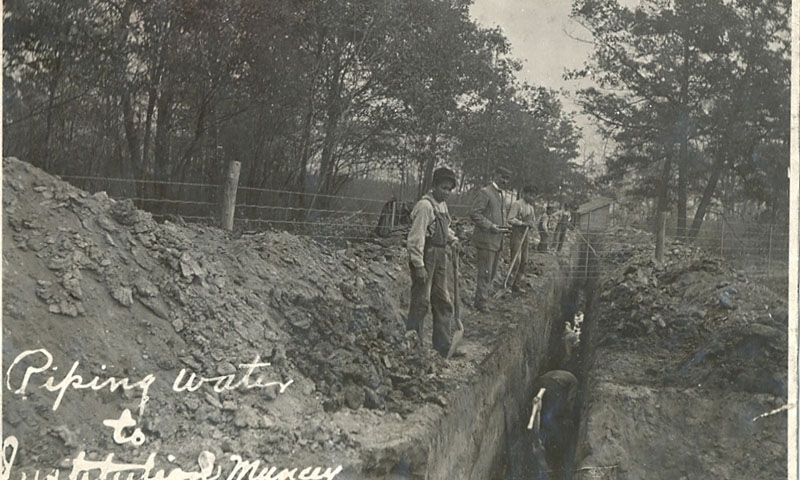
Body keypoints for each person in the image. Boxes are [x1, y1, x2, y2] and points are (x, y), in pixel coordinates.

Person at [406, 167, 460, 357]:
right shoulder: (425, 206)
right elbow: (416, 238)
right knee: (421, 302)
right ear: (434, 186)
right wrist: (418, 265)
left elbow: (446, 228)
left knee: (443, 301)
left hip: (440, 256)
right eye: (443, 188)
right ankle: (414, 347)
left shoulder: (442, 205)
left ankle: (443, 345)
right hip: (426, 256)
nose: (446, 192)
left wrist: (452, 239)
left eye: (449, 189)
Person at [470, 166, 512, 312]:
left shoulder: (501, 195)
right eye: (503, 177)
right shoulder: (485, 192)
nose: (505, 181)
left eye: (507, 178)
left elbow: (497, 214)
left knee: (492, 272)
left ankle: (483, 298)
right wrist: (490, 226)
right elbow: (475, 214)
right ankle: (481, 302)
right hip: (486, 240)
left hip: (496, 240)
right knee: (485, 272)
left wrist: (505, 226)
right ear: (495, 175)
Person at [533, 370, 579, 478]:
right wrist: (568, 415)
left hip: (542, 380)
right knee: (550, 415)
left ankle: (544, 435)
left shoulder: (567, 377)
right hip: (552, 384)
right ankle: (547, 439)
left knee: (547, 413)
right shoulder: (574, 383)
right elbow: (569, 402)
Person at [507, 184, 537, 293]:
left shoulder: (531, 208)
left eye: (534, 196)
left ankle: (517, 284)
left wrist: (531, 225)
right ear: (525, 194)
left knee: (524, 260)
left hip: (526, 235)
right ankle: (508, 285)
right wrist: (522, 223)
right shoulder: (517, 204)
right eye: (530, 195)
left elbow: (533, 221)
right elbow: (510, 219)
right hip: (517, 234)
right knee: (516, 260)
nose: (532, 197)